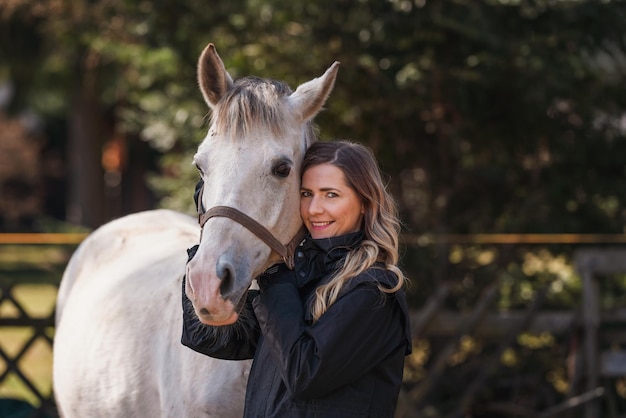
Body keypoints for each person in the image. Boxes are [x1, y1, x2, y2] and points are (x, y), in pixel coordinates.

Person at [181, 140, 412, 418]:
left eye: (331, 195)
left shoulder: (374, 291)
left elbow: (305, 374)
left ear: (365, 203)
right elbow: (208, 338)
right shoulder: (303, 282)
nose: (314, 209)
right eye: (306, 193)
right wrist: (210, 234)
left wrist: (276, 277)